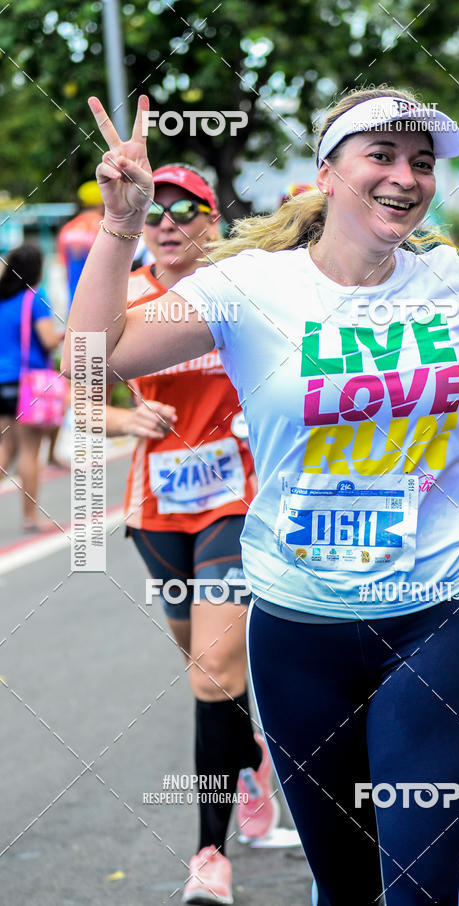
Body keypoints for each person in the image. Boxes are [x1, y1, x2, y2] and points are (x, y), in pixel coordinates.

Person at [64, 87, 459, 905]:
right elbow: (94, 361)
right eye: (379, 156)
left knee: (420, 889)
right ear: (327, 173)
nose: (405, 177)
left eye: (420, 163)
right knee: (345, 888)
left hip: (439, 613)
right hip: (297, 624)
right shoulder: (249, 287)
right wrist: (119, 226)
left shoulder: (450, 282)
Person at [104, 163, 279, 905]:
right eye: (155, 214)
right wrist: (119, 417)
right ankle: (256, 755)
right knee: (202, 663)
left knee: (213, 667)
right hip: (155, 509)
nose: (167, 223)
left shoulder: (241, 295)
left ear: (212, 221)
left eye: (186, 210)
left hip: (235, 501)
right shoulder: (127, 299)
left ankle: (209, 854)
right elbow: (65, 388)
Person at [0, 243, 63, 531]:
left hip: (3, 381)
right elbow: (48, 340)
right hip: (28, 384)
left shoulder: (2, 299)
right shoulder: (35, 298)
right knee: (28, 451)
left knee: (6, 448)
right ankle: (30, 517)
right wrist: (67, 334)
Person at [57, 180, 104, 311]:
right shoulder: (105, 228)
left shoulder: (67, 229)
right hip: (101, 302)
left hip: (74, 302)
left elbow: (64, 267)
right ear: (102, 202)